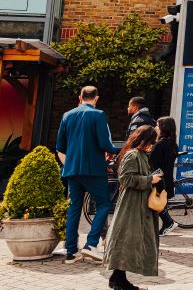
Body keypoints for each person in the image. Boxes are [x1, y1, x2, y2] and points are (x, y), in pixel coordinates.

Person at [55, 85, 121, 264]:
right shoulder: (98, 115)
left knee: (74, 208)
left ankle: (70, 252)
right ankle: (91, 244)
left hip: (71, 170)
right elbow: (104, 144)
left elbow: (60, 147)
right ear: (96, 98)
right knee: (104, 204)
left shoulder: (67, 115)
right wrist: (119, 149)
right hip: (93, 169)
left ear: (80, 97)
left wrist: (69, 163)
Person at [105, 125, 163, 290]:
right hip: (131, 205)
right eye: (152, 141)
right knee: (127, 241)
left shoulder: (142, 155)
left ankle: (117, 278)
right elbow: (126, 179)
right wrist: (149, 180)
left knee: (130, 242)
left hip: (139, 204)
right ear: (144, 140)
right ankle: (118, 280)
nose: (153, 145)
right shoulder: (133, 155)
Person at [150, 116, 179, 236]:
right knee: (160, 203)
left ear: (163, 128)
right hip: (166, 179)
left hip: (158, 179)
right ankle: (167, 223)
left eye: (157, 125)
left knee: (155, 203)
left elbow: (151, 163)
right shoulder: (172, 144)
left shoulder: (159, 145)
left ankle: (168, 222)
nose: (155, 128)